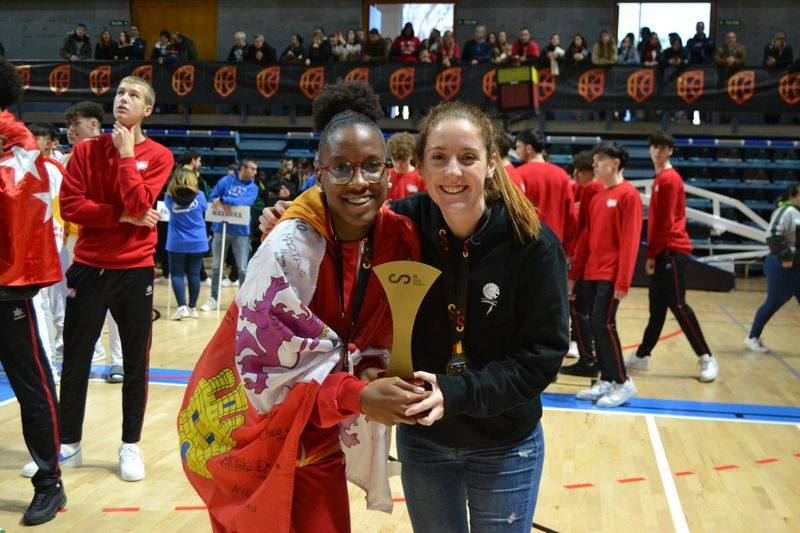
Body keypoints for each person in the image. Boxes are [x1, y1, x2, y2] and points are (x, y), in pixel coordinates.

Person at [180, 79, 427, 532]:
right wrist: (357, 394)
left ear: (390, 170)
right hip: (256, 430)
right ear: (319, 172)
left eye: (372, 166)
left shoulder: (401, 236)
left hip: (322, 436)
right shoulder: (287, 247)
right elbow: (269, 378)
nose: (359, 182)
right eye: (342, 169)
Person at [390, 101, 566, 532]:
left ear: (491, 163)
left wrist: (456, 393)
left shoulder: (533, 245)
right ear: (420, 166)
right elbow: (337, 224)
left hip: (505, 443)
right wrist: (292, 219)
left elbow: (542, 357)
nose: (453, 171)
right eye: (439, 157)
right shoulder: (398, 225)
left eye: (467, 157)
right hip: (424, 440)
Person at [58, 75, 173, 482]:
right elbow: (71, 207)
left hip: (135, 270)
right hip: (88, 267)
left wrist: (126, 157)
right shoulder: (85, 151)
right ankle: (68, 444)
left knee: (136, 363)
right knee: (75, 360)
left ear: (147, 110)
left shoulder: (159, 156)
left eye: (134, 95)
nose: (124, 98)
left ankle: (130, 444)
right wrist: (122, 216)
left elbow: (142, 203)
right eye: (121, 92)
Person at [0, 58, 67, 526]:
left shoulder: (18, 139)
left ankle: (49, 482)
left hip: (8, 287)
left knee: (32, 385)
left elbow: (13, 196)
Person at [625, 132, 719, 382]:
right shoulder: (662, 178)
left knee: (678, 305)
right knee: (657, 308)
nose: (657, 151)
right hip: (664, 250)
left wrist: (652, 254)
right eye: (654, 147)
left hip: (671, 250)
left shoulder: (669, 179)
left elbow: (665, 223)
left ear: (670, 151)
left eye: (662, 147)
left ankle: (706, 357)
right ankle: (643, 355)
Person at [569, 142, 642, 408]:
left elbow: (630, 242)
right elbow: (586, 237)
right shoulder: (596, 193)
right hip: (591, 272)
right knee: (594, 325)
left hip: (611, 275)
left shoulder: (629, 195)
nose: (595, 164)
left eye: (600, 159)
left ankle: (623, 382)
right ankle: (607, 378)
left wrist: (623, 280)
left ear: (615, 163)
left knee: (603, 324)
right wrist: (575, 274)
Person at [60, 101, 126, 383]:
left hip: (110, 238)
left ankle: (118, 360)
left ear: (94, 124)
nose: (70, 130)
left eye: (76, 123)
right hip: (73, 239)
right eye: (68, 125)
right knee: (79, 302)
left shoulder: (115, 153)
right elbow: (67, 206)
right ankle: (89, 352)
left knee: (115, 304)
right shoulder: (66, 159)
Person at [560, 151, 603, 377]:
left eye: (579, 171)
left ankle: (588, 359)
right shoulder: (595, 189)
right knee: (588, 312)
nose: (575, 175)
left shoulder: (592, 189)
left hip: (587, 260)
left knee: (579, 310)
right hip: (593, 260)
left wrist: (574, 263)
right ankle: (590, 356)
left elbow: (583, 231)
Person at [744, 183, 800, 352]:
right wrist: (786, 257)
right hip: (783, 267)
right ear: (792, 196)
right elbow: (773, 235)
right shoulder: (786, 211)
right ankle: (752, 337)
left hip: (797, 267)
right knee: (773, 303)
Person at [200, 159, 259, 312]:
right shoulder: (225, 181)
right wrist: (220, 201)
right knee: (216, 266)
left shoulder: (253, 187)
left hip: (241, 231)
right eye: (252, 169)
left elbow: (245, 202)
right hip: (220, 228)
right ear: (243, 168)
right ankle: (213, 298)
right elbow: (212, 197)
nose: (255, 172)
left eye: (255, 169)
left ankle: (243, 302)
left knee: (243, 268)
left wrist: (224, 200)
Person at [515, 129, 577, 248]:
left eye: (518, 147)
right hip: (555, 244)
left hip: (528, 245)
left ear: (529, 148)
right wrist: (567, 247)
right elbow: (571, 216)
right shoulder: (562, 174)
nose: (516, 152)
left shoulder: (518, 174)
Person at [166, 167, 208, 320]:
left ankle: (182, 307)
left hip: (177, 242)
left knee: (177, 274)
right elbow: (204, 208)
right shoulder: (200, 196)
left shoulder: (169, 197)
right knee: (194, 274)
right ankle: (192, 307)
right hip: (198, 241)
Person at [386, 131, 425, 200]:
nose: (398, 165)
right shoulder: (386, 176)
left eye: (403, 160)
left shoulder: (420, 178)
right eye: (395, 159)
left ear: (411, 156)